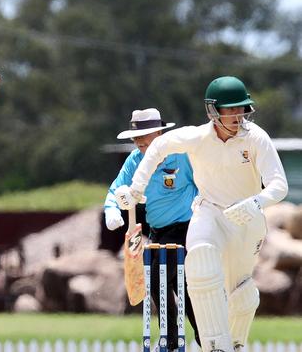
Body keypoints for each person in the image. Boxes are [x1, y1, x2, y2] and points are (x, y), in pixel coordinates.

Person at [115, 77, 288, 352]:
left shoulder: (256, 138)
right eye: (230, 109)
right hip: (209, 211)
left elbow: (279, 185)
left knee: (240, 293)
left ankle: (236, 343)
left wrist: (256, 202)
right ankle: (215, 346)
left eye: (241, 108)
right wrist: (137, 187)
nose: (237, 115)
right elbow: (159, 147)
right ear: (213, 110)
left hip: (247, 220)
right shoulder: (197, 137)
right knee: (201, 264)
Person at [104, 108, 200, 350]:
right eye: (136, 137)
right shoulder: (135, 160)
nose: (139, 142)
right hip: (157, 232)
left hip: (186, 228)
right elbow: (116, 190)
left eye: (145, 136)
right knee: (183, 287)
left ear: (160, 133)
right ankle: (202, 337)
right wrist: (112, 211)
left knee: (158, 280)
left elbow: (204, 181)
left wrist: (203, 205)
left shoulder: (181, 155)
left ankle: (173, 337)